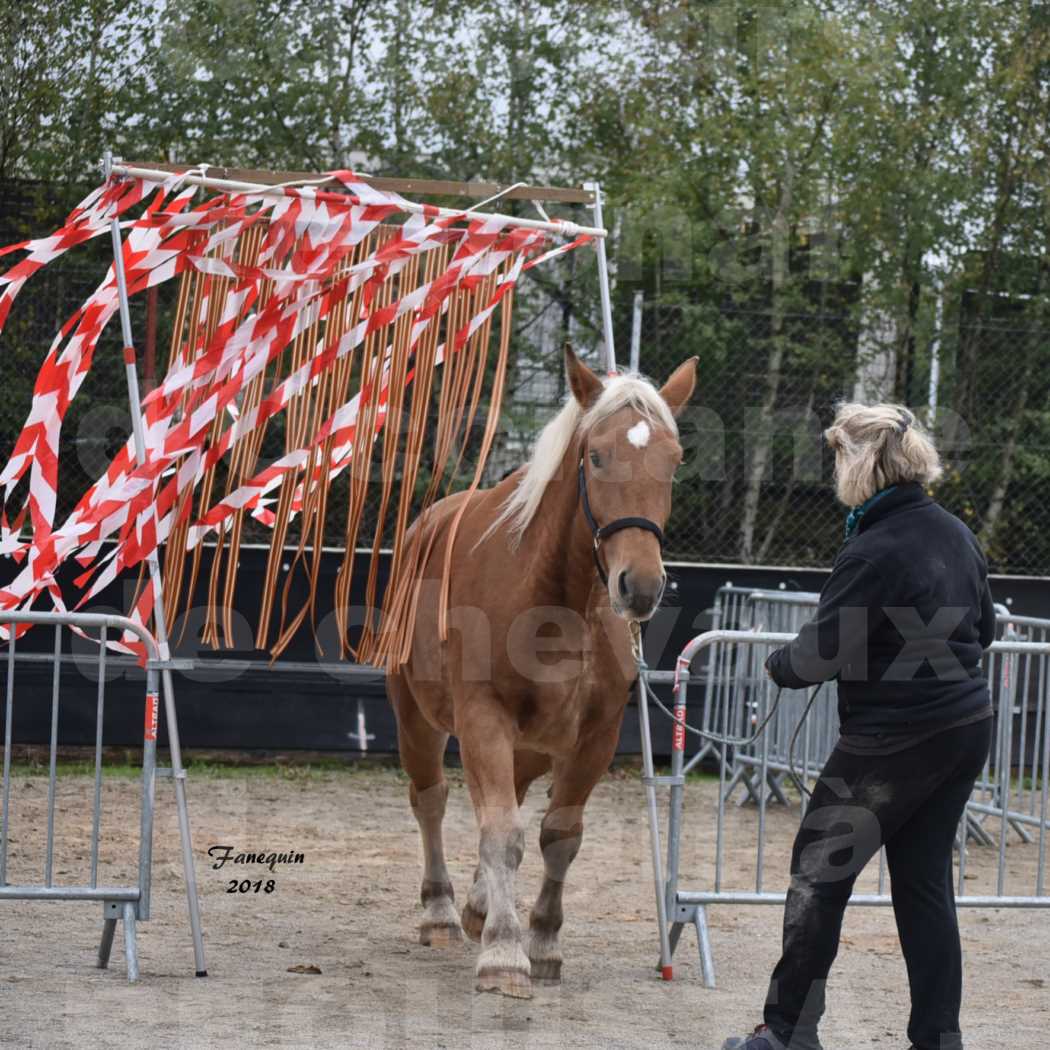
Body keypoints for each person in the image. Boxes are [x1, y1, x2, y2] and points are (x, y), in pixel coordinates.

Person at [722, 403, 996, 1050]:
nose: (834, 471)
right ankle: (938, 1038)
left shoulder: (872, 549)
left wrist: (778, 663)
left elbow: (815, 658)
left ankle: (787, 1031)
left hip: (893, 739)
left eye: (839, 456)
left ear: (863, 463)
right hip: (964, 727)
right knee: (924, 886)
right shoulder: (955, 532)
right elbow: (986, 629)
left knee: (818, 876)